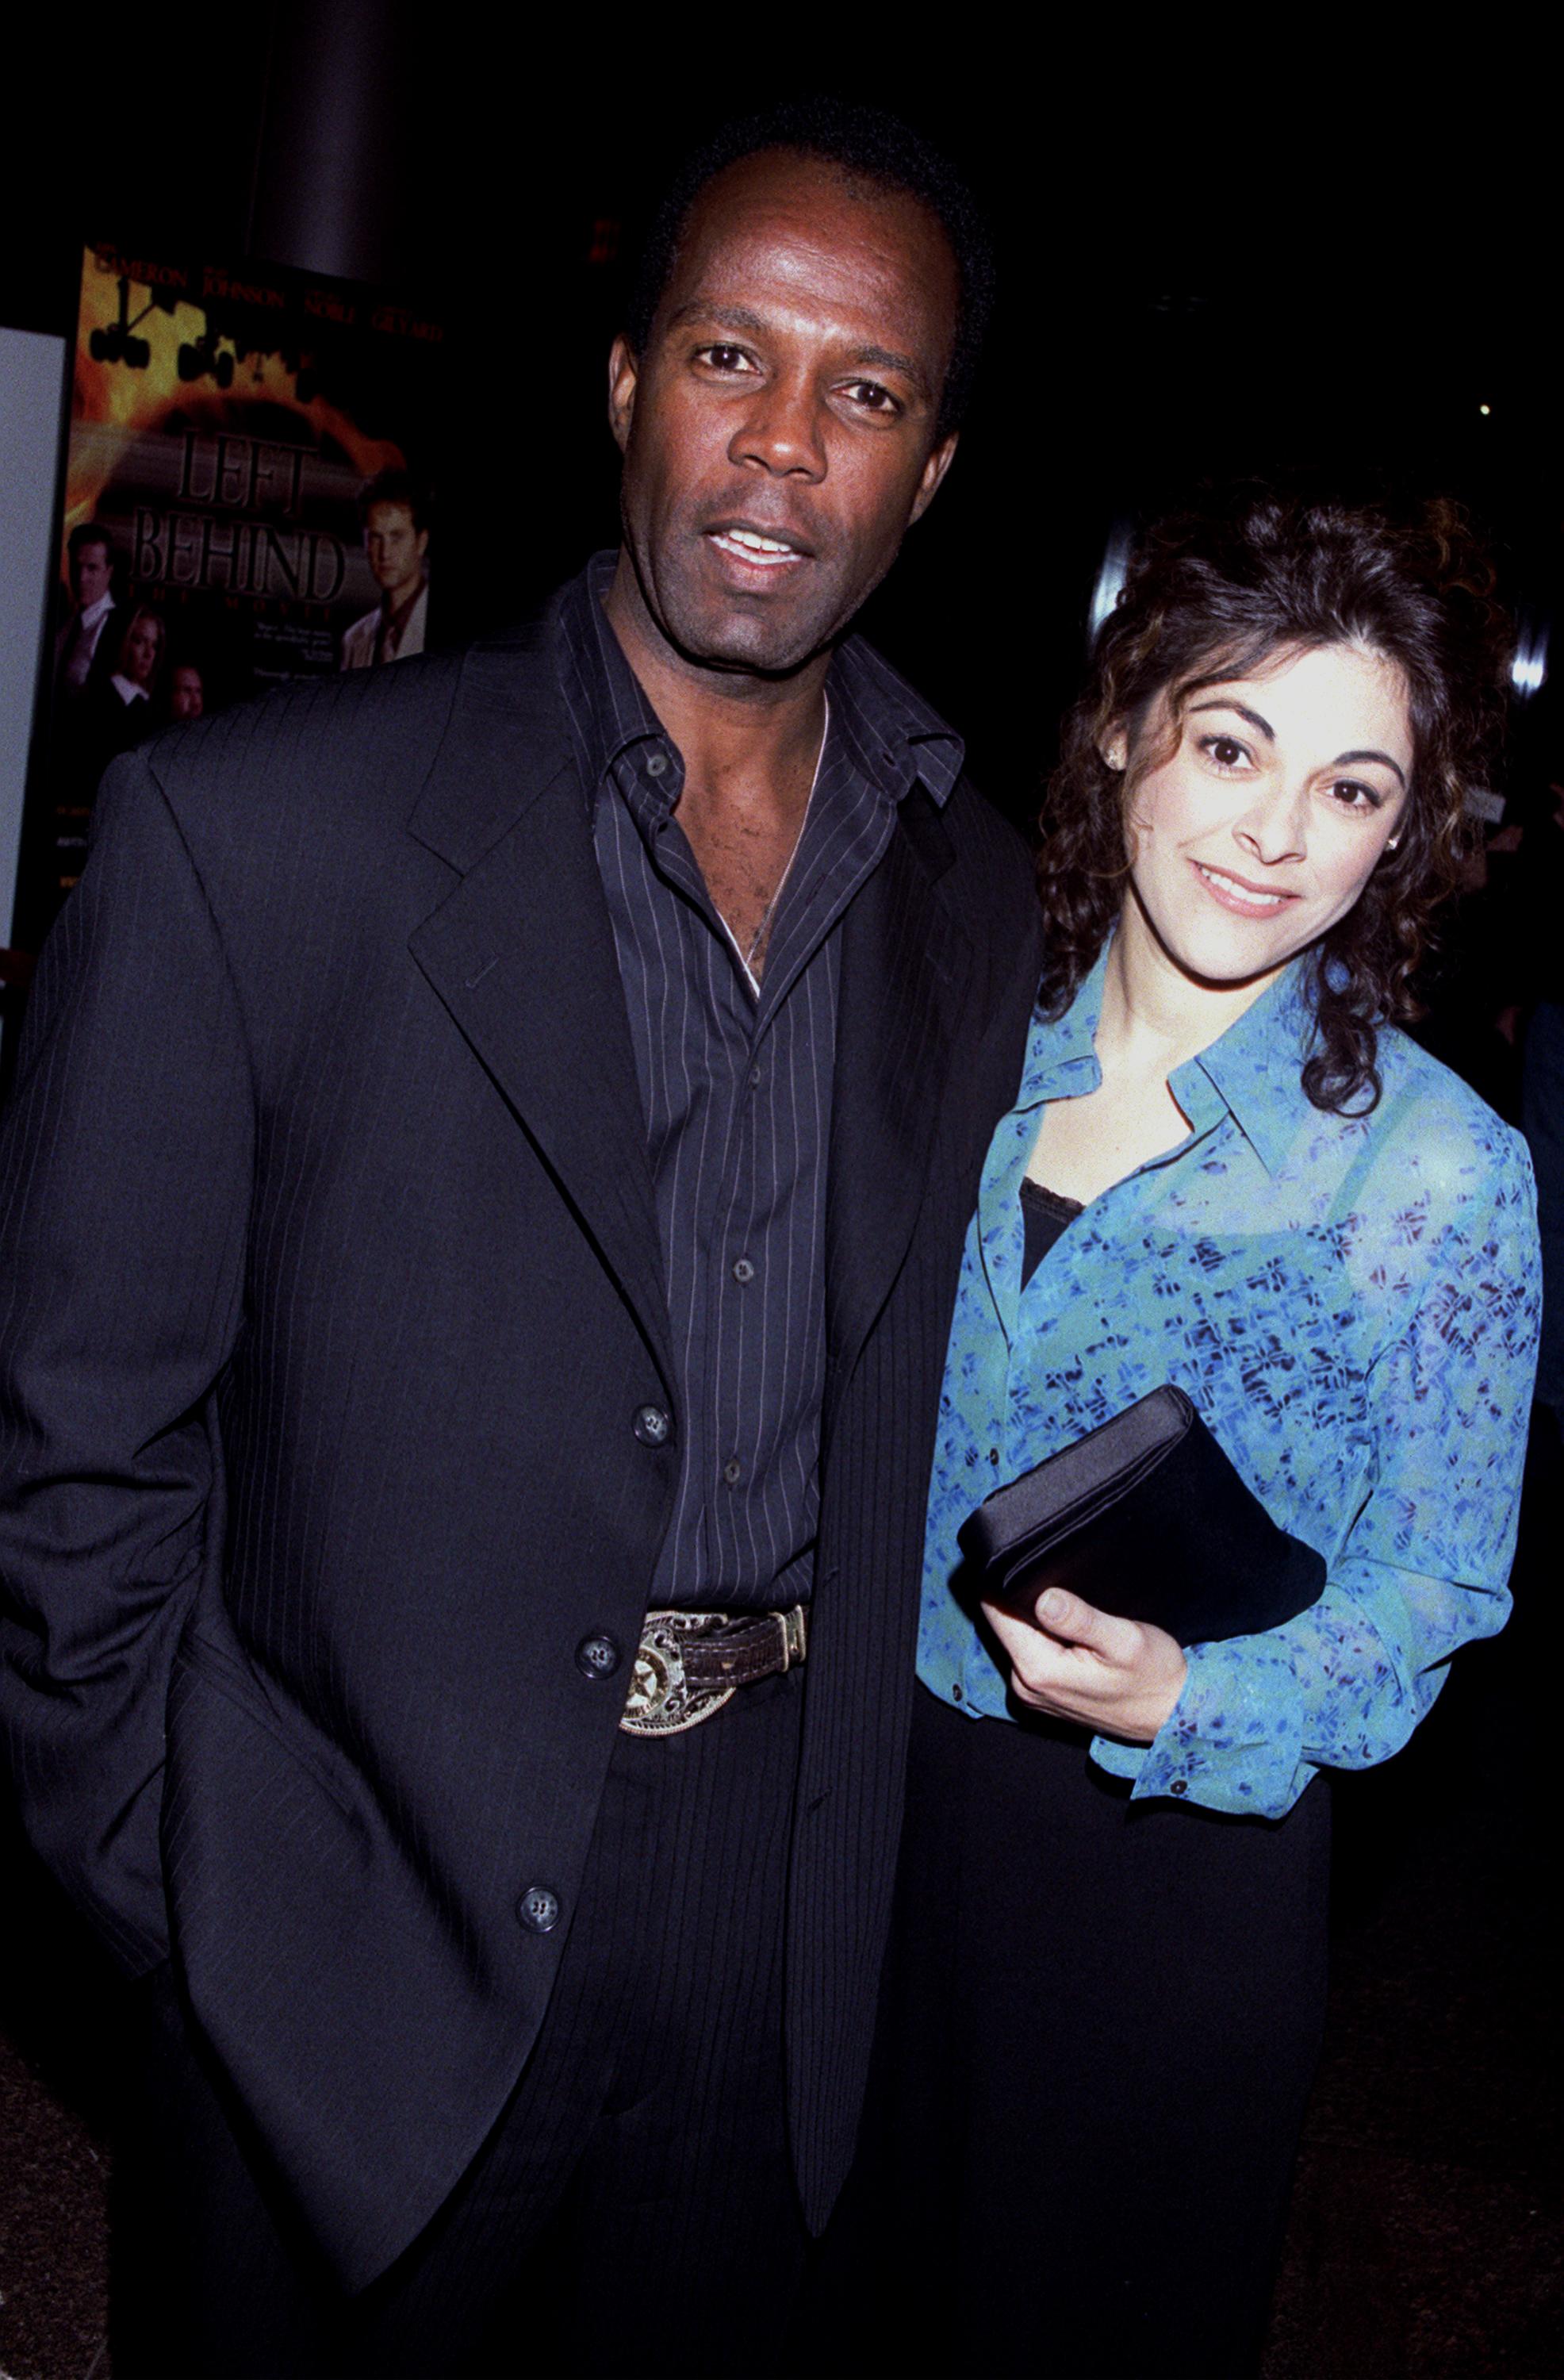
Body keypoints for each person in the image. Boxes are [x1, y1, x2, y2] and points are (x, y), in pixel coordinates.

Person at [0, 102, 1042, 2380]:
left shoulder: (983, 897)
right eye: (723, 358)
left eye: (860, 394)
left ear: (931, 472)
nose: (781, 447)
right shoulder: (252, 838)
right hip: (354, 1923)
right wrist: (197, 1915)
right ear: (617, 388)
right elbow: (77, 1456)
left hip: (792, 1947)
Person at [829, 492, 1542, 2380]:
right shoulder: (960, 1027)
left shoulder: (1432, 1170)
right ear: (1131, 719)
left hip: (1154, 1888)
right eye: (1231, 744)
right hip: (859, 1819)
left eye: (1349, 787)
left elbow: (1434, 1586)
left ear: (1403, 829)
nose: (1271, 831)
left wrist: (1194, 1701)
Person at [339, 468, 431, 667]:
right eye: (375, 538)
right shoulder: (354, 639)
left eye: (397, 537)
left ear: (421, 542)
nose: (385, 553)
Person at [52, 521, 119, 701]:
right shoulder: (66, 621)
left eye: (92, 568)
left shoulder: (117, 628)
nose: (81, 578)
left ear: (108, 572)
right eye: (76, 566)